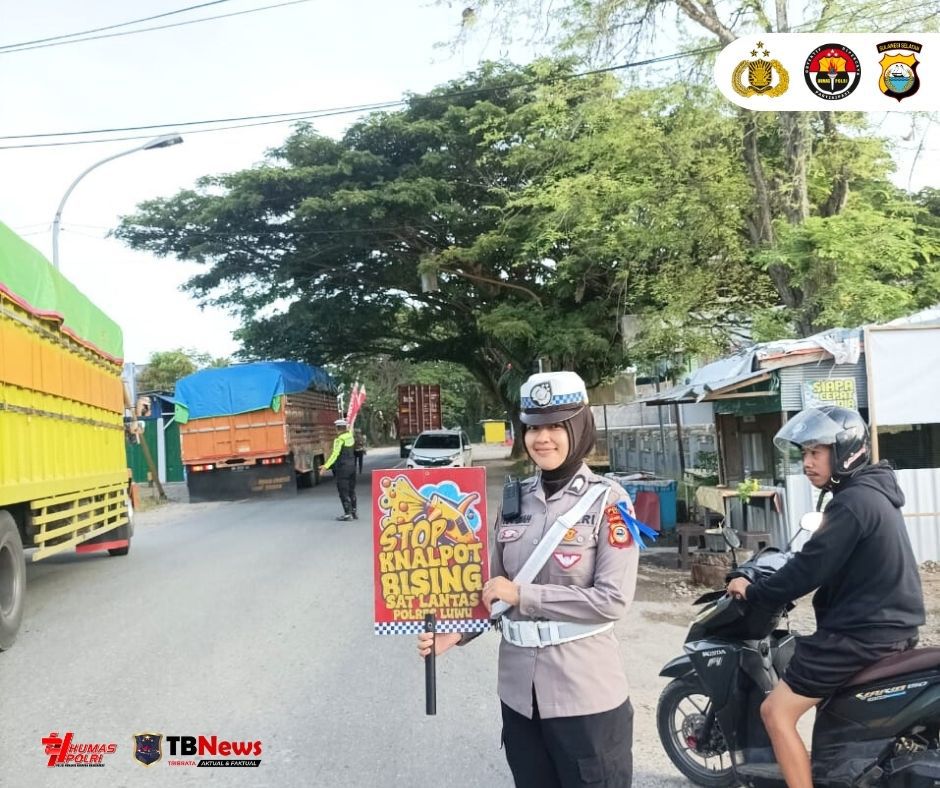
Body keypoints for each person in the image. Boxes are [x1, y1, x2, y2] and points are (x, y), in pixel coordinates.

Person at [417, 370, 640, 788]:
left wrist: (523, 594)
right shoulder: (514, 500)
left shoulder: (610, 502)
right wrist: (457, 633)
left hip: (585, 697)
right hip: (520, 696)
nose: (543, 438)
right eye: (534, 427)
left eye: (556, 426)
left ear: (579, 427)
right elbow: (493, 587)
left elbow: (612, 600)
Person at [726, 406, 925, 788]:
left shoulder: (851, 503)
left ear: (845, 452)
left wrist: (753, 590)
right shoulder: (873, 492)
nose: (807, 462)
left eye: (816, 452)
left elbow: (806, 571)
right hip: (889, 627)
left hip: (858, 636)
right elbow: (822, 558)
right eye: (804, 453)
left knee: (775, 712)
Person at [322, 418, 357, 521]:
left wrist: (325, 466)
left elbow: (335, 455)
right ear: (345, 427)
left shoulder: (339, 440)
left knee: (343, 491)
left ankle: (348, 514)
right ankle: (354, 512)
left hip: (343, 468)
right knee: (351, 490)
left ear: (337, 428)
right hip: (352, 467)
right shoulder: (350, 436)